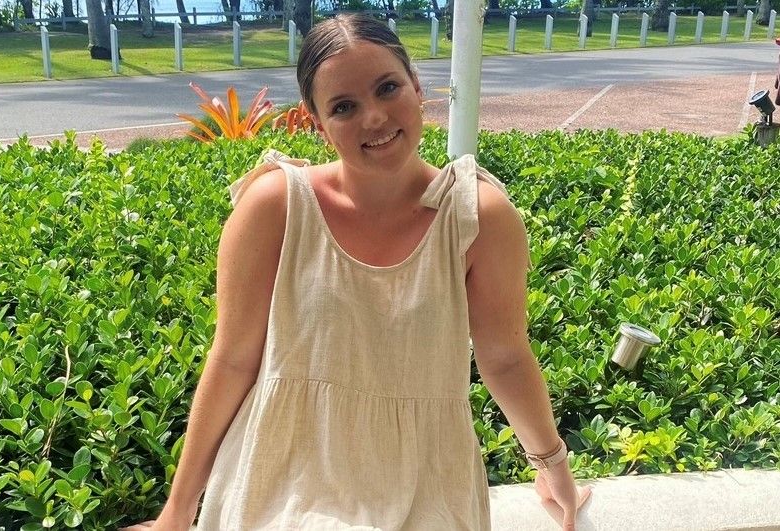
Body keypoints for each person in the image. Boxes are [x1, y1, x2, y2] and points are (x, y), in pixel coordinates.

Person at [121, 13, 590, 531]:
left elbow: (505, 357)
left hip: (426, 480)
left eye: (388, 88)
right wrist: (178, 510)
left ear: (417, 86)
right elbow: (232, 359)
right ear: (318, 124)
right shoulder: (275, 206)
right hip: (284, 478)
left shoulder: (476, 217)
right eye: (344, 107)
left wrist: (553, 466)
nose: (374, 117)